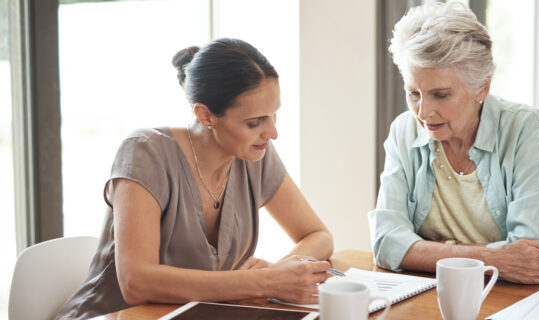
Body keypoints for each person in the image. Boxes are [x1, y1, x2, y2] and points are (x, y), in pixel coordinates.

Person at [55, 38, 333, 320]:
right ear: (205, 115)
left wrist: (279, 274)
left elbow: (318, 235)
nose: (272, 132)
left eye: (274, 115)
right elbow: (135, 283)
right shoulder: (145, 152)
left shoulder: (254, 154)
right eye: (254, 122)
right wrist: (265, 282)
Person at [368, 2, 539, 285]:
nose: (423, 113)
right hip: (448, 292)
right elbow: (386, 243)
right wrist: (493, 259)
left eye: (440, 95)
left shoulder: (527, 130)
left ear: (482, 88)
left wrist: (423, 253)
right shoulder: (404, 131)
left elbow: (529, 257)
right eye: (413, 93)